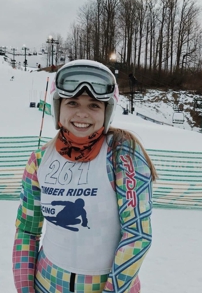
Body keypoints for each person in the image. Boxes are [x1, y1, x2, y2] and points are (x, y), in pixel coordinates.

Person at [12, 60, 157, 293]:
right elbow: (27, 230)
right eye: (72, 103)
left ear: (106, 112)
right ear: (59, 107)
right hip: (47, 282)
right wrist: (25, 288)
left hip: (105, 286)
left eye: (94, 105)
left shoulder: (121, 154)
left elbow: (137, 234)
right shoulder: (39, 160)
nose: (82, 113)